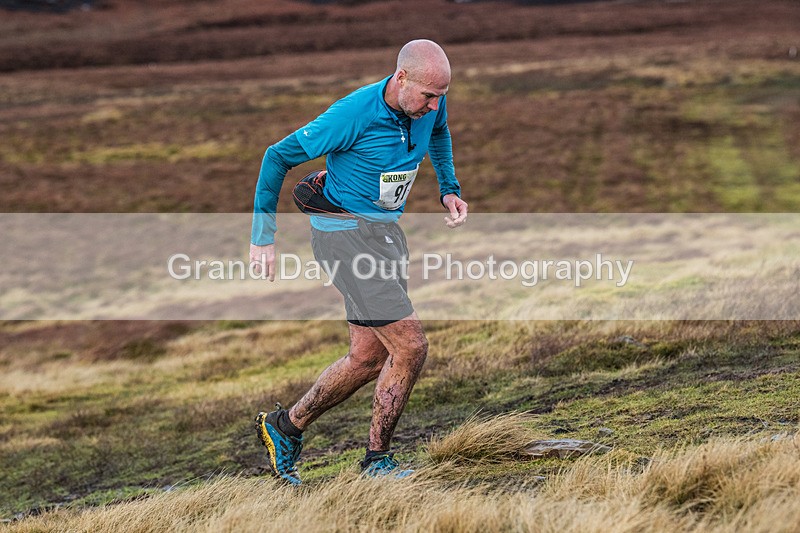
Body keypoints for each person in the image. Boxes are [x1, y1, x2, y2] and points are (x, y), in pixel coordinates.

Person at [249, 39, 468, 485]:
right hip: (346, 240)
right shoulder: (353, 114)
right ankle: (376, 463)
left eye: (439, 98)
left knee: (367, 358)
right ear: (401, 77)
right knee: (410, 347)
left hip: (385, 235)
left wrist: (448, 186)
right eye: (427, 96)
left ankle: (284, 427)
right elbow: (277, 156)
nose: (433, 107)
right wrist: (262, 238)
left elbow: (440, 133)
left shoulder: (429, 105)